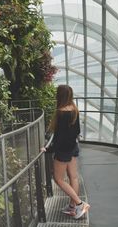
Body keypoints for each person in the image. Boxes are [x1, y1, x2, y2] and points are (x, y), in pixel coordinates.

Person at [41, 85, 90, 219]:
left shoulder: (60, 113)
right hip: (73, 146)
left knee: (58, 179)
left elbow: (59, 138)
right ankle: (72, 207)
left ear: (59, 96)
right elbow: (77, 131)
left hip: (63, 150)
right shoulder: (74, 110)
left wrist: (48, 149)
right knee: (73, 177)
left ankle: (80, 204)